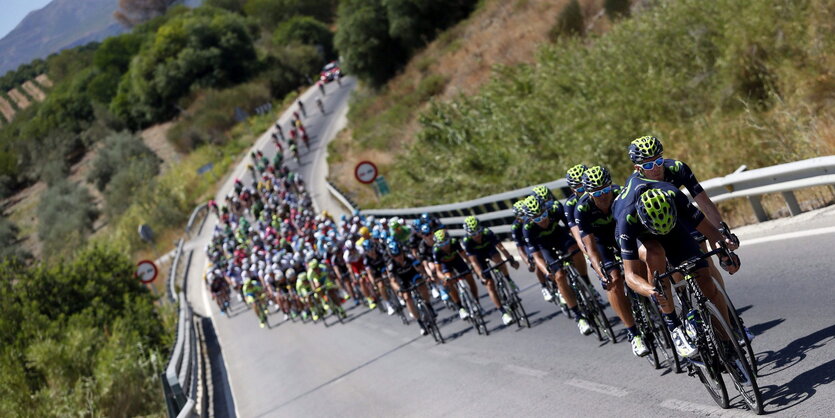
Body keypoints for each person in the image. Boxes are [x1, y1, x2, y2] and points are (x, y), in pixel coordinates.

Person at [614, 179, 740, 358]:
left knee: (706, 283)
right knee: (655, 254)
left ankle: (728, 341)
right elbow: (630, 275)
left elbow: (711, 231)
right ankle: (673, 325)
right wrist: (650, 290)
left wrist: (725, 254)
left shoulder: (673, 195)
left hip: (673, 226)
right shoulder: (627, 219)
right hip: (642, 235)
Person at [575, 166, 648, 357]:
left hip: (622, 233)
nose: (603, 196)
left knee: (641, 260)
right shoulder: (583, 208)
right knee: (614, 281)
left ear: (610, 186)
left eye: (605, 189)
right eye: (597, 192)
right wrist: (600, 273)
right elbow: (590, 248)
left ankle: (650, 301)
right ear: (589, 192)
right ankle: (634, 333)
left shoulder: (619, 193)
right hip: (601, 243)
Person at [521, 195, 593, 335]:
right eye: (537, 219)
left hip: (560, 236)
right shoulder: (527, 228)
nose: (542, 220)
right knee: (559, 276)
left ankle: (586, 282)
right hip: (544, 246)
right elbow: (537, 257)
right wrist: (547, 272)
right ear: (530, 219)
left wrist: (581, 244)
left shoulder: (555, 208)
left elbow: (571, 228)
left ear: (546, 209)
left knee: (575, 251)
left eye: (544, 215)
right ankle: (579, 317)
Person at [461, 216, 520, 326]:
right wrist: (481, 275)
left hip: (489, 251)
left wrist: (510, 259)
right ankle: (503, 313)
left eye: (478, 231)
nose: (477, 235)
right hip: (478, 258)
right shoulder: (467, 241)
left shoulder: (487, 232)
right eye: (473, 234)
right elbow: (473, 262)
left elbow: (501, 248)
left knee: (499, 260)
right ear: (468, 233)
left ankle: (508, 280)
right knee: (489, 284)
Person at [387, 240, 434, 336]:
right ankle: (420, 323)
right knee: (407, 297)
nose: (399, 257)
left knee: (421, 283)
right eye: (396, 256)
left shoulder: (409, 257)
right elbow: (392, 281)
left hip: (413, 274)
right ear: (392, 256)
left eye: (400, 254)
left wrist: (425, 275)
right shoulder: (391, 265)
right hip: (402, 280)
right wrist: (398, 290)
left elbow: (420, 267)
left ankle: (428, 305)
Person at [432, 228, 477, 320]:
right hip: (445, 265)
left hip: (457, 260)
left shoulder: (454, 242)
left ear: (449, 240)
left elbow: (464, 255)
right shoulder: (436, 250)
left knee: (469, 277)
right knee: (449, 281)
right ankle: (460, 307)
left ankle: (476, 302)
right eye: (441, 244)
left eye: (446, 243)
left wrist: (471, 265)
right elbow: (438, 271)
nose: (444, 246)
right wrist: (444, 278)